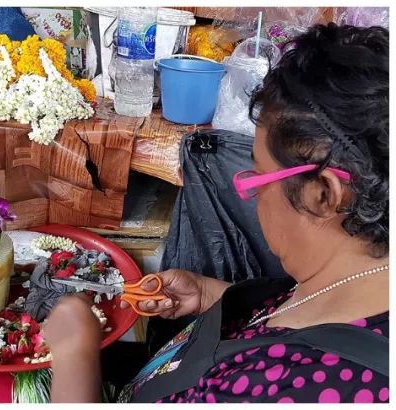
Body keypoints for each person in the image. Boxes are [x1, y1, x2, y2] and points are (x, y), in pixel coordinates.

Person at [43, 23, 389, 403]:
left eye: (257, 176)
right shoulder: (362, 274)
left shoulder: (310, 386)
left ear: (323, 195)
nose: (253, 193)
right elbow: (300, 316)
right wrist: (211, 295)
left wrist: (73, 355)